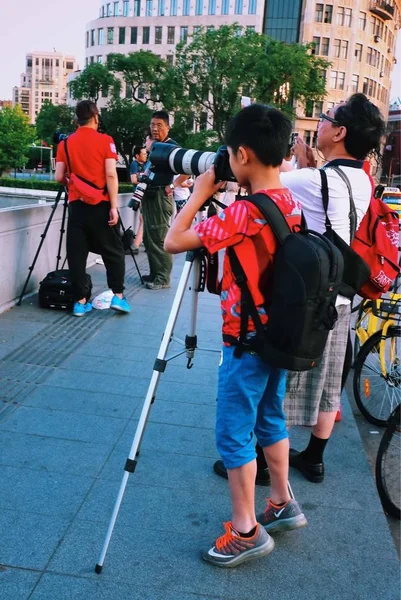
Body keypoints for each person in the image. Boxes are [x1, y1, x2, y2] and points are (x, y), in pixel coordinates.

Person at [165, 104, 307, 568]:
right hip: (279, 337)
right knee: (270, 418)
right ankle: (282, 501)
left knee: (233, 434)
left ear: (242, 154)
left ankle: (246, 529)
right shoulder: (291, 202)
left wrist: (200, 190)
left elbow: (173, 240)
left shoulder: (244, 212)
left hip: (245, 341)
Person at [222, 93, 386, 485]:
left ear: (340, 132)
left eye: (327, 118)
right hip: (340, 295)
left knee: (276, 384)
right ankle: (314, 458)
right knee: (330, 382)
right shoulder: (362, 179)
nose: (322, 123)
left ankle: (259, 464)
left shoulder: (312, 180)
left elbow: (258, 176)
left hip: (306, 300)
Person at [55, 100, 131, 317]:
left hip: (77, 207)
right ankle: (118, 296)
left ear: (76, 120)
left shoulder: (65, 144)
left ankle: (80, 302)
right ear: (96, 118)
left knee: (77, 253)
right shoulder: (106, 141)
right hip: (102, 205)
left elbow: (59, 177)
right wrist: (114, 207)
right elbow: (110, 175)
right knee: (113, 251)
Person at [141, 111, 187, 290]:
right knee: (148, 236)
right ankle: (154, 272)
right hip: (149, 193)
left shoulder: (172, 147)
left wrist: (173, 185)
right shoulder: (155, 146)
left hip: (161, 195)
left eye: (159, 125)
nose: (154, 128)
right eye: (152, 125)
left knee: (159, 236)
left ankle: (163, 278)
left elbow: (187, 169)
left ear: (168, 127)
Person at [129, 145, 148, 254]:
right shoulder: (134, 164)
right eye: (144, 154)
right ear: (137, 156)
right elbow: (133, 180)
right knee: (144, 219)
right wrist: (144, 181)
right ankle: (136, 244)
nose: (146, 156)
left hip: (145, 194)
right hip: (139, 194)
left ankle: (142, 242)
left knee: (143, 218)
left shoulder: (146, 165)